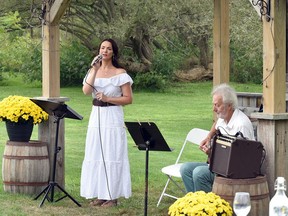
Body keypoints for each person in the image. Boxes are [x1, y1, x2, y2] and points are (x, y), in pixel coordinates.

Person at [80, 38, 133, 207]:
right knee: (96, 153)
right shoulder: (93, 71)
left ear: (113, 52)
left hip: (112, 115)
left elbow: (128, 99)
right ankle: (100, 194)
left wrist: (108, 97)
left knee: (112, 153)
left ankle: (112, 196)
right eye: (102, 48)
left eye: (108, 49)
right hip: (96, 116)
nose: (105, 51)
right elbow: (86, 91)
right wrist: (94, 69)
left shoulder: (120, 73)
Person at [180, 83, 255, 193]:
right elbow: (216, 124)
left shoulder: (241, 125)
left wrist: (212, 154)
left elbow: (242, 160)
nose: (213, 109)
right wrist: (209, 136)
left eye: (217, 105)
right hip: (221, 166)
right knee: (185, 169)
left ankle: (208, 206)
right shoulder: (224, 117)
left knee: (199, 173)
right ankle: (194, 205)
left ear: (229, 105)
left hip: (236, 171)